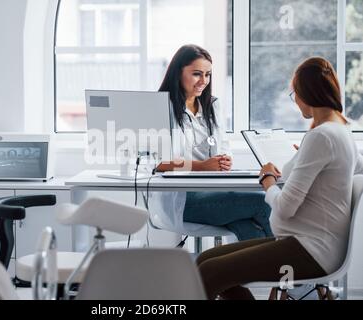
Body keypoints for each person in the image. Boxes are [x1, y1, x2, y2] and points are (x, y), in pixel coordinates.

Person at [196, 56, 363, 300]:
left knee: (209, 272)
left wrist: (267, 181)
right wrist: (304, 160)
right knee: (205, 260)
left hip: (311, 251)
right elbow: (349, 167)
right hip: (308, 244)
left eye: (294, 93)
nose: (295, 100)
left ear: (306, 93)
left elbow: (285, 207)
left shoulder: (322, 137)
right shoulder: (341, 129)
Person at [148, 44, 273, 241]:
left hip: (214, 190)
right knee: (262, 203)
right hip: (181, 200)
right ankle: (289, 264)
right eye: (197, 74)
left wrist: (225, 161)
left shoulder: (212, 106)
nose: (203, 81)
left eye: (208, 75)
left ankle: (261, 270)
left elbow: (223, 146)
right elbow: (157, 164)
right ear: (177, 72)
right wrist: (202, 166)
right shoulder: (161, 107)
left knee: (248, 227)